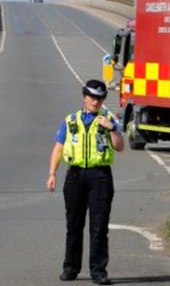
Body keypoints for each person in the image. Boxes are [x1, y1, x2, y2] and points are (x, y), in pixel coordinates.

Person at [46, 79, 124, 285]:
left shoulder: (108, 119)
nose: (96, 102)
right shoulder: (71, 121)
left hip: (100, 176)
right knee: (74, 224)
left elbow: (119, 146)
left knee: (99, 226)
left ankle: (98, 270)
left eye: (100, 98)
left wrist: (112, 128)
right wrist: (52, 173)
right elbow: (59, 148)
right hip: (75, 176)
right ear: (84, 97)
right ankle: (70, 267)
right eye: (92, 97)